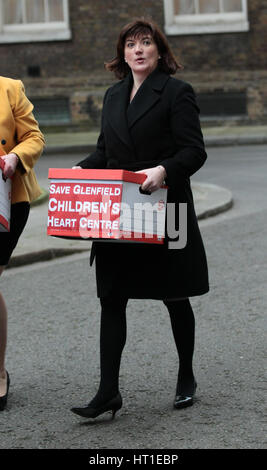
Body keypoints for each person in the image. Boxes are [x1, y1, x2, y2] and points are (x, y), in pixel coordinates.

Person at [70, 18, 209, 420]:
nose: (139, 49)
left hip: (168, 206)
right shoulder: (113, 97)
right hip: (120, 210)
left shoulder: (177, 93)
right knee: (111, 298)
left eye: (146, 42)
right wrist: (82, 170)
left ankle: (186, 376)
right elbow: (105, 155)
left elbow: (194, 151)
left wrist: (163, 170)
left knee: (175, 294)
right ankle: (107, 391)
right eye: (131, 44)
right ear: (122, 54)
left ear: (160, 51)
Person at [0, 76, 45, 410]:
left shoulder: (9, 88)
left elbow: (33, 137)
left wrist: (15, 157)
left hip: (6, 200)